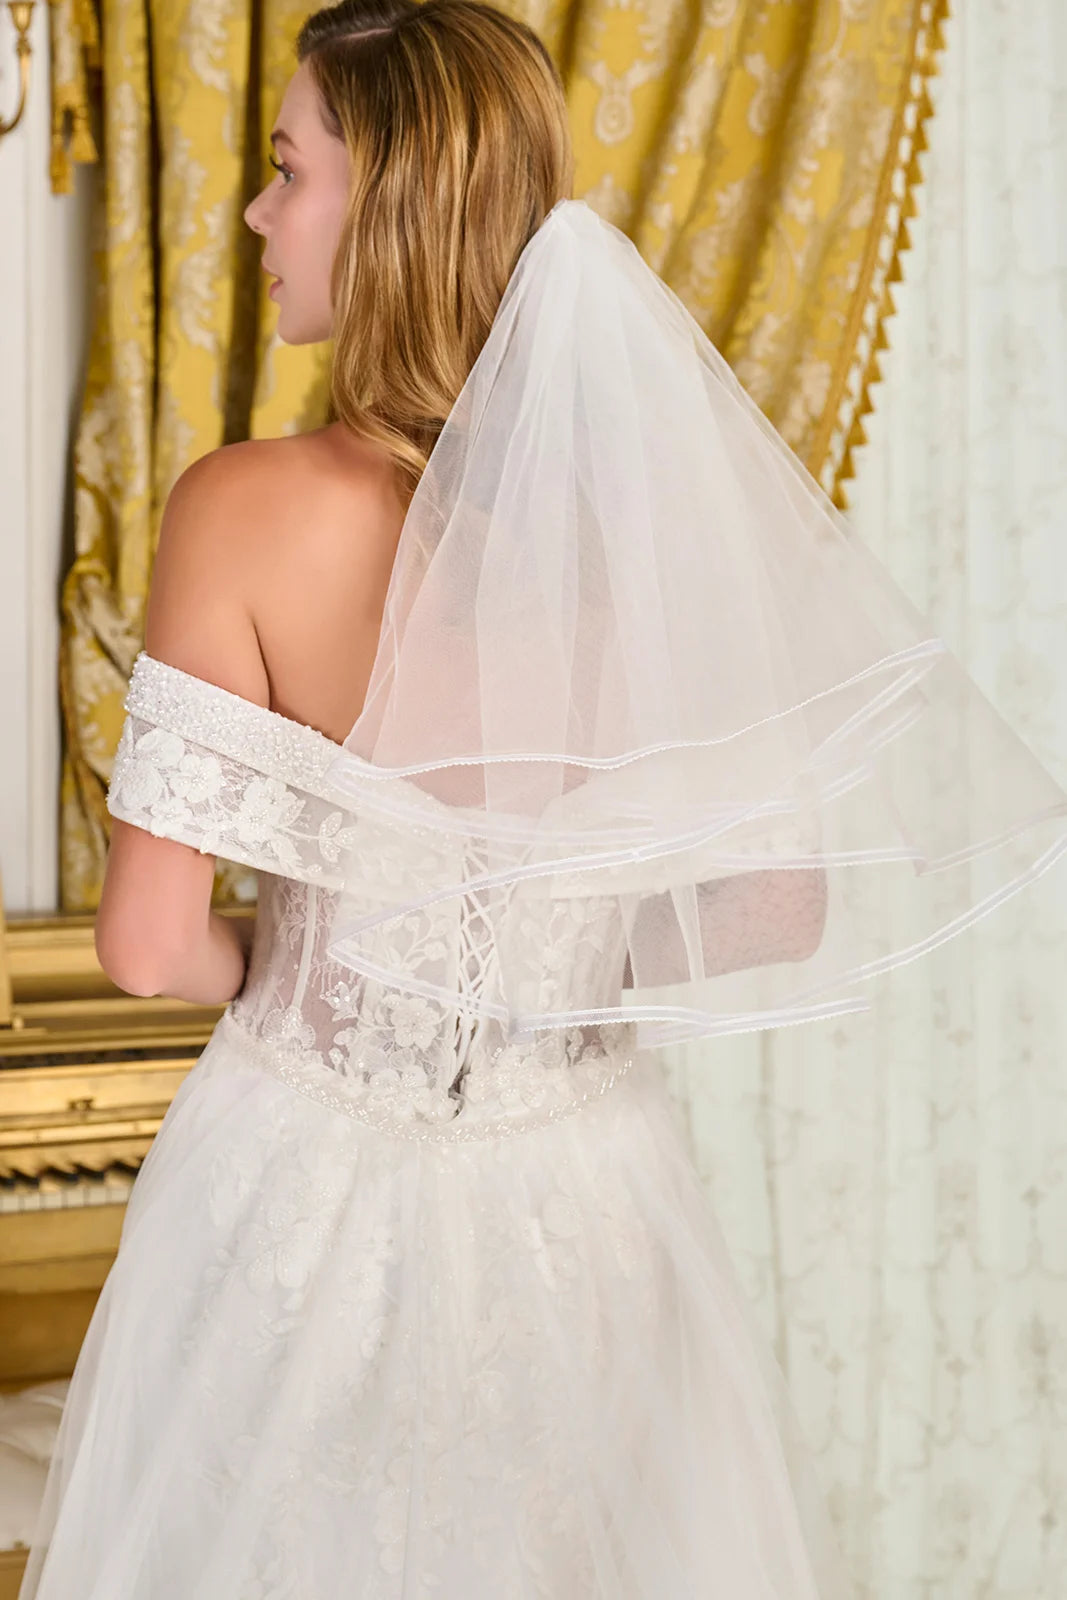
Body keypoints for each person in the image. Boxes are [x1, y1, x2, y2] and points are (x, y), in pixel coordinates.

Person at [19, 2, 1067, 1596]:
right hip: (591, 1201)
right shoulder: (638, 541)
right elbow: (780, 905)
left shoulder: (241, 509)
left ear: (388, 211)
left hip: (303, 1183)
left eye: (289, 172)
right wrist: (544, 967)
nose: (255, 216)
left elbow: (150, 947)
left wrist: (315, 964)